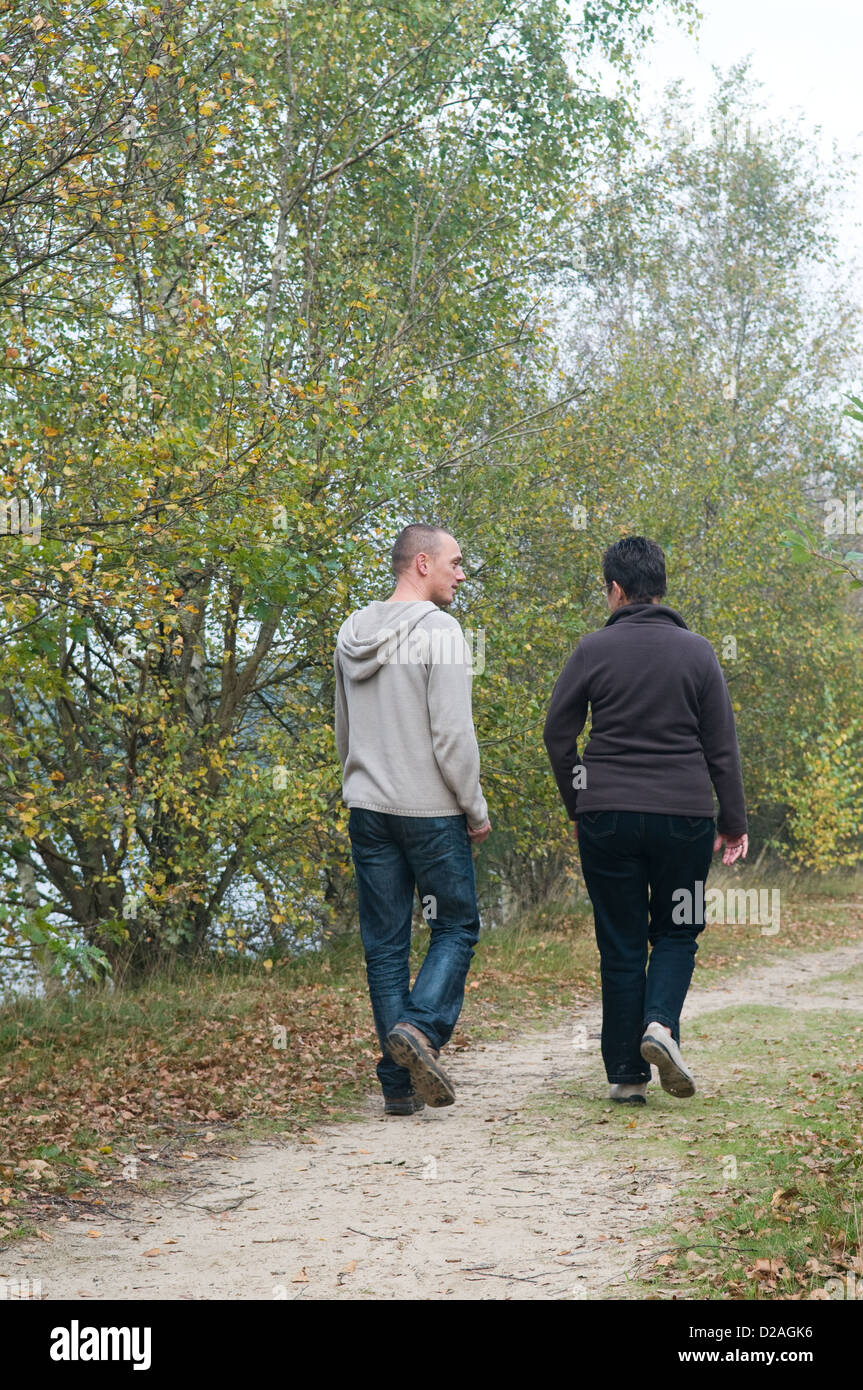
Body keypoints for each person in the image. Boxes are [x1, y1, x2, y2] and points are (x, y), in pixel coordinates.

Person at [543, 536, 748, 1105]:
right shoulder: (698, 651)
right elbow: (721, 747)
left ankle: (626, 1074)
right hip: (683, 817)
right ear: (661, 586)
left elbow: (558, 737)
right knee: (678, 930)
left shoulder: (591, 650)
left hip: (607, 816)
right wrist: (733, 821)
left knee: (621, 942)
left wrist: (580, 800)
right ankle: (660, 1025)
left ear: (614, 589)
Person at [334, 524, 491, 1114]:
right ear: (421, 563)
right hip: (430, 810)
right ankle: (422, 1030)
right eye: (455, 561)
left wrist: (357, 784)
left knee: (385, 946)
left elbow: (343, 726)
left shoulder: (351, 632)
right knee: (456, 925)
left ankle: (398, 1087)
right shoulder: (443, 632)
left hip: (368, 807)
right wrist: (474, 807)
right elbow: (452, 736)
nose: (462, 572)